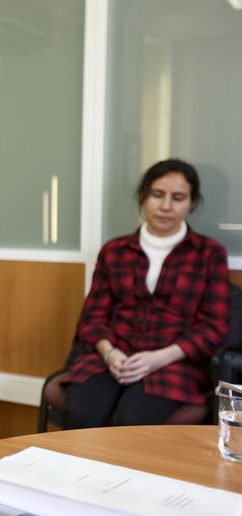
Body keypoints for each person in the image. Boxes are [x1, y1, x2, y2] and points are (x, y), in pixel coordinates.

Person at [61, 159, 230, 429]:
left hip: (174, 364)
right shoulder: (114, 251)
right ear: (143, 196)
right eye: (157, 194)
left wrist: (159, 358)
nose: (166, 206)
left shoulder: (209, 254)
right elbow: (92, 317)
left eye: (178, 198)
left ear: (192, 203)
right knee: (82, 412)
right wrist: (110, 353)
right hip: (113, 357)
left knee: (133, 421)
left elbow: (214, 327)